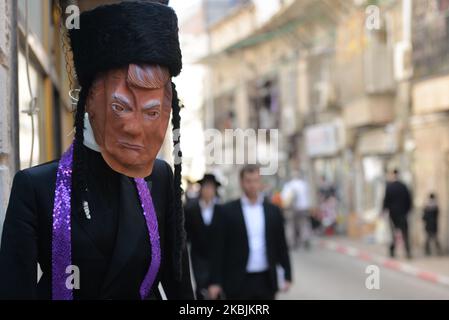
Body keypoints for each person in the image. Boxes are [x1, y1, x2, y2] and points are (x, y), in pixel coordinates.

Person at [0, 1, 194, 300]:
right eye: (120, 107)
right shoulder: (35, 187)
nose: (134, 127)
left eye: (152, 111)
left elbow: (180, 289)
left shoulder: (160, 177)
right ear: (89, 99)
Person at [208, 165, 292, 300]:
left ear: (260, 182)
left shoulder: (273, 211)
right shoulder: (226, 211)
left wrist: (287, 275)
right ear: (241, 182)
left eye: (255, 180)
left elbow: (281, 244)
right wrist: (215, 281)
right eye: (248, 181)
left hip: (266, 279)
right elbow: (218, 248)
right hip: (237, 280)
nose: (252, 185)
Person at [184, 174, 222, 299]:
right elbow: (186, 233)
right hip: (198, 257)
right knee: (201, 290)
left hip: (216, 257)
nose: (208, 190)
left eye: (211, 187)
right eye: (206, 187)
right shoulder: (191, 209)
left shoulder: (221, 210)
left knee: (217, 289)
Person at [382, 169, 413, 259]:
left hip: (393, 214)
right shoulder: (403, 186)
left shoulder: (389, 187)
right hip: (403, 214)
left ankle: (392, 251)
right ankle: (408, 252)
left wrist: (384, 210)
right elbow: (409, 200)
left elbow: (385, 201)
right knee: (405, 233)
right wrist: (407, 211)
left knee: (393, 234)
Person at [281, 171, 312, 249]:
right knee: (303, 224)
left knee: (291, 225)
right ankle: (305, 238)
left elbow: (284, 197)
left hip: (292, 209)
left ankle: (291, 242)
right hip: (303, 207)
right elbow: (308, 195)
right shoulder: (304, 184)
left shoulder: (289, 185)